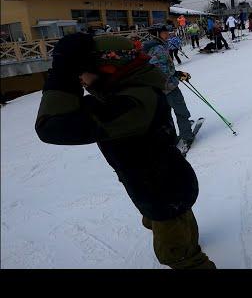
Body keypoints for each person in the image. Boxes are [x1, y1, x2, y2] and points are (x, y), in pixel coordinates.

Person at [34, 33, 215, 269]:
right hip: (169, 184)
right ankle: (187, 241)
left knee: (176, 253)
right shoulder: (135, 88)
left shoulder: (132, 103)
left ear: (108, 69)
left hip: (162, 190)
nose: (79, 79)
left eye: (82, 71)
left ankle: (188, 253)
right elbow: (95, 103)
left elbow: (52, 127)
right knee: (177, 220)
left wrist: (62, 74)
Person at [143, 25, 195, 151]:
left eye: (167, 32)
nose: (167, 34)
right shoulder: (158, 48)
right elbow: (161, 70)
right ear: (156, 34)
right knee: (181, 110)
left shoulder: (150, 46)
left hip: (158, 88)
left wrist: (176, 73)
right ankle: (187, 136)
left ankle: (171, 137)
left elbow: (162, 67)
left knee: (166, 114)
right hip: (168, 87)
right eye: (164, 33)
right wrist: (177, 75)